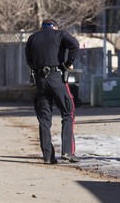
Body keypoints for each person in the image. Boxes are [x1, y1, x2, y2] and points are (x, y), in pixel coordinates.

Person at [25, 19, 80, 164]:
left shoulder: (32, 38)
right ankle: (68, 152)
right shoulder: (60, 34)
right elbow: (75, 45)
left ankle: (48, 156)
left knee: (44, 120)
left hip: (40, 80)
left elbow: (28, 59)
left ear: (41, 28)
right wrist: (68, 64)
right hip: (57, 77)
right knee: (68, 113)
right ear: (55, 27)